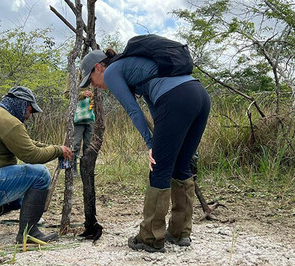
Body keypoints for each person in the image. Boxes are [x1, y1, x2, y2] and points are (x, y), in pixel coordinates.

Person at [79, 49, 210, 252]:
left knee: (159, 168)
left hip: (175, 98)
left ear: (99, 67)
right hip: (199, 95)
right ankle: (180, 233)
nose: (94, 85)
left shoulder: (112, 71)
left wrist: (151, 145)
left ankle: (150, 238)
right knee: (181, 165)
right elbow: (153, 104)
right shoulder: (133, 65)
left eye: (91, 78)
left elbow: (133, 110)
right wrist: (161, 137)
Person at [0, 86, 72, 243]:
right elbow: (31, 155)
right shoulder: (8, 121)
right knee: (41, 175)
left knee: (27, 195)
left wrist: (56, 148)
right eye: (29, 110)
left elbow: (28, 144)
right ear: (21, 104)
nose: (28, 116)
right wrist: (57, 150)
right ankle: (29, 233)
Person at [64, 79, 95, 177]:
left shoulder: (93, 75)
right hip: (78, 116)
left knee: (89, 145)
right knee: (75, 144)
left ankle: (87, 169)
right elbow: (67, 95)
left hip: (90, 116)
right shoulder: (74, 75)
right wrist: (82, 94)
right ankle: (73, 169)